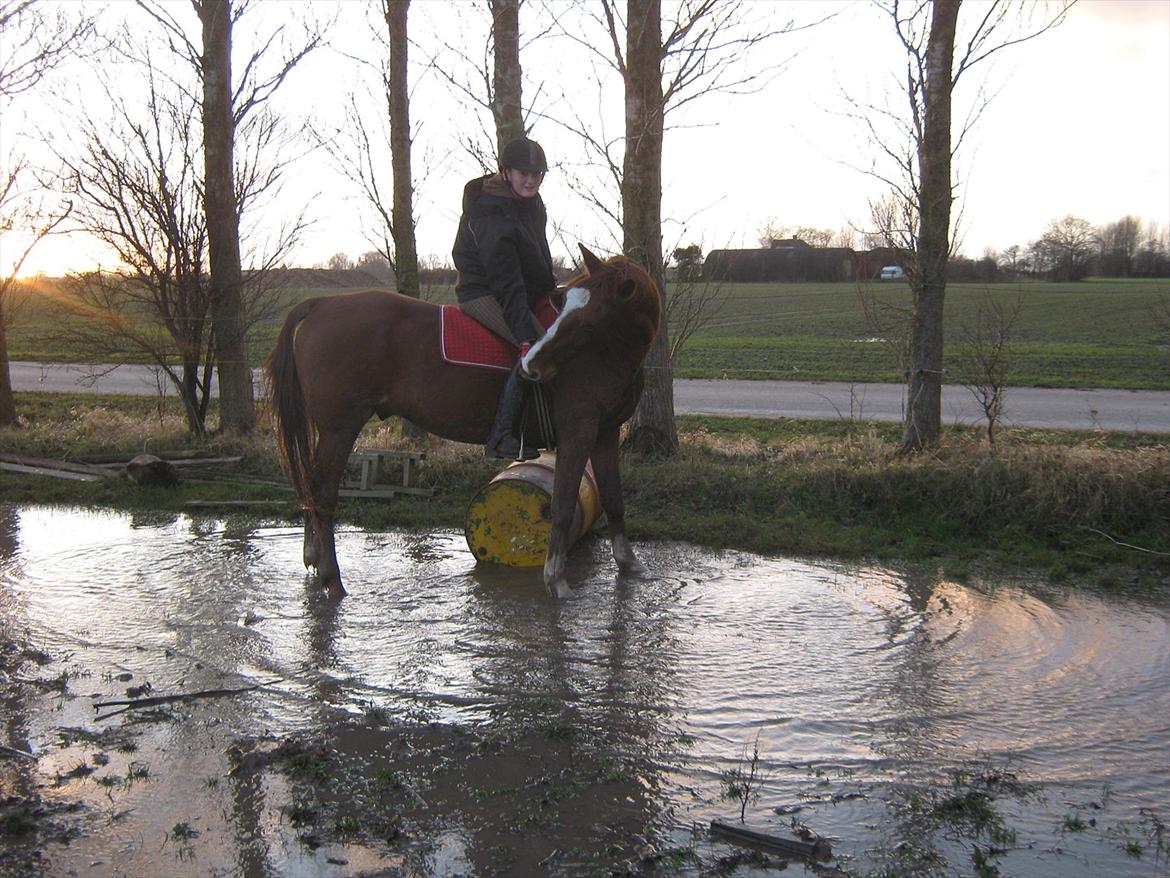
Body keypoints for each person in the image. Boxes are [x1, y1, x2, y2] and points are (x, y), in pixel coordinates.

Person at [452, 136, 557, 460]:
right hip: (483, 291)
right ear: (505, 172)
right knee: (537, 348)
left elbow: (539, 257)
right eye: (523, 172)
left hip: (520, 290)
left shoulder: (532, 203)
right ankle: (501, 436)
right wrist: (524, 333)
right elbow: (505, 280)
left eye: (537, 173)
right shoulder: (490, 212)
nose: (530, 180)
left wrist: (554, 293)